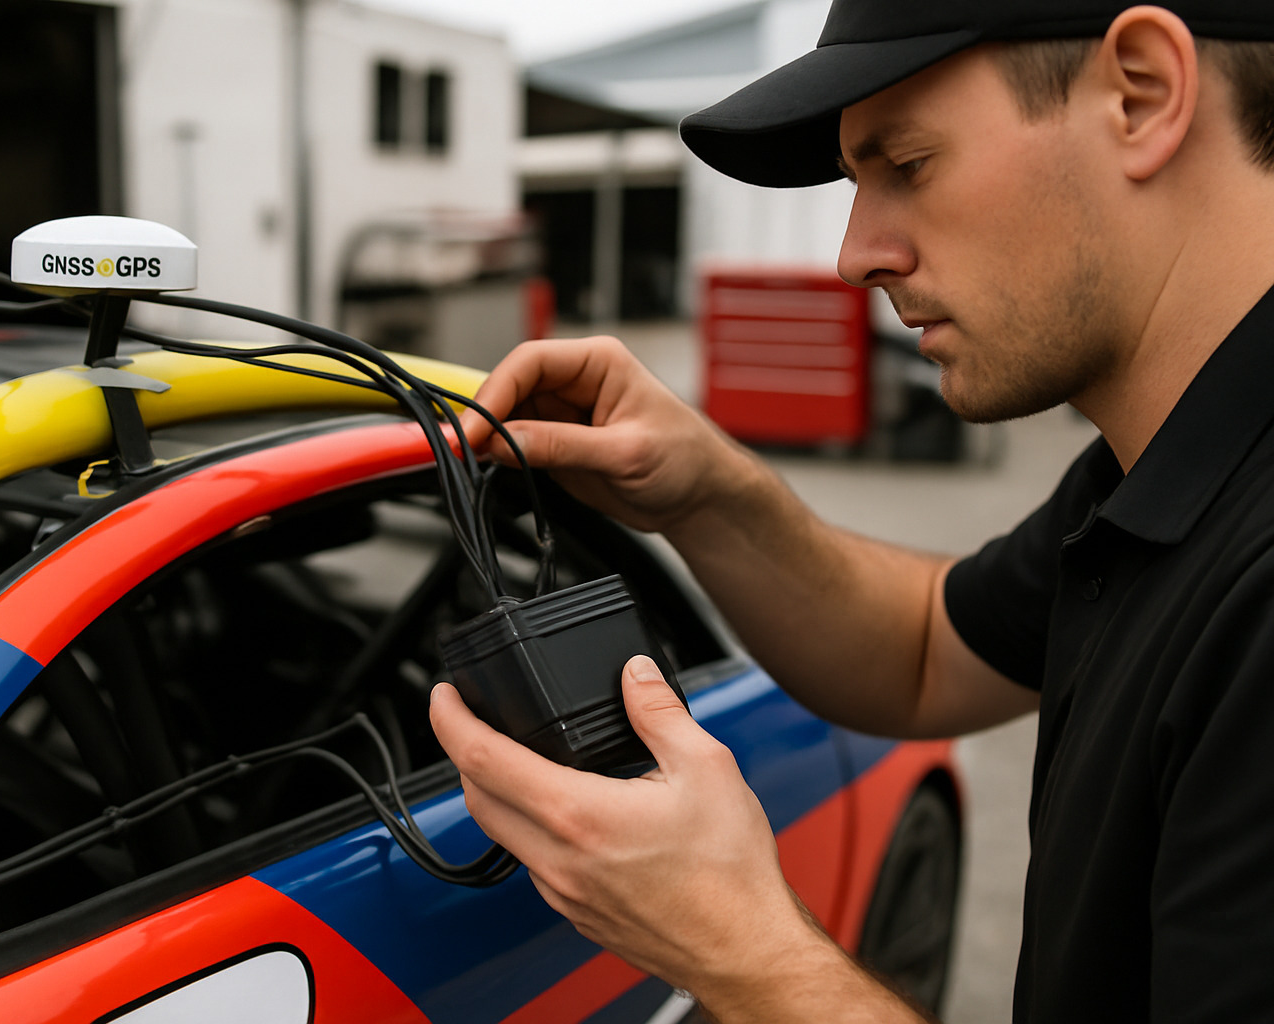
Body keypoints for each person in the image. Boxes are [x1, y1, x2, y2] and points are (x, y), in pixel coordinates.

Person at [428, 1, 1274, 1021]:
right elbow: (925, 652)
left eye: (908, 163)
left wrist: (742, 947)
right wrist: (706, 484)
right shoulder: (1154, 475)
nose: (855, 253)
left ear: (1141, 90)